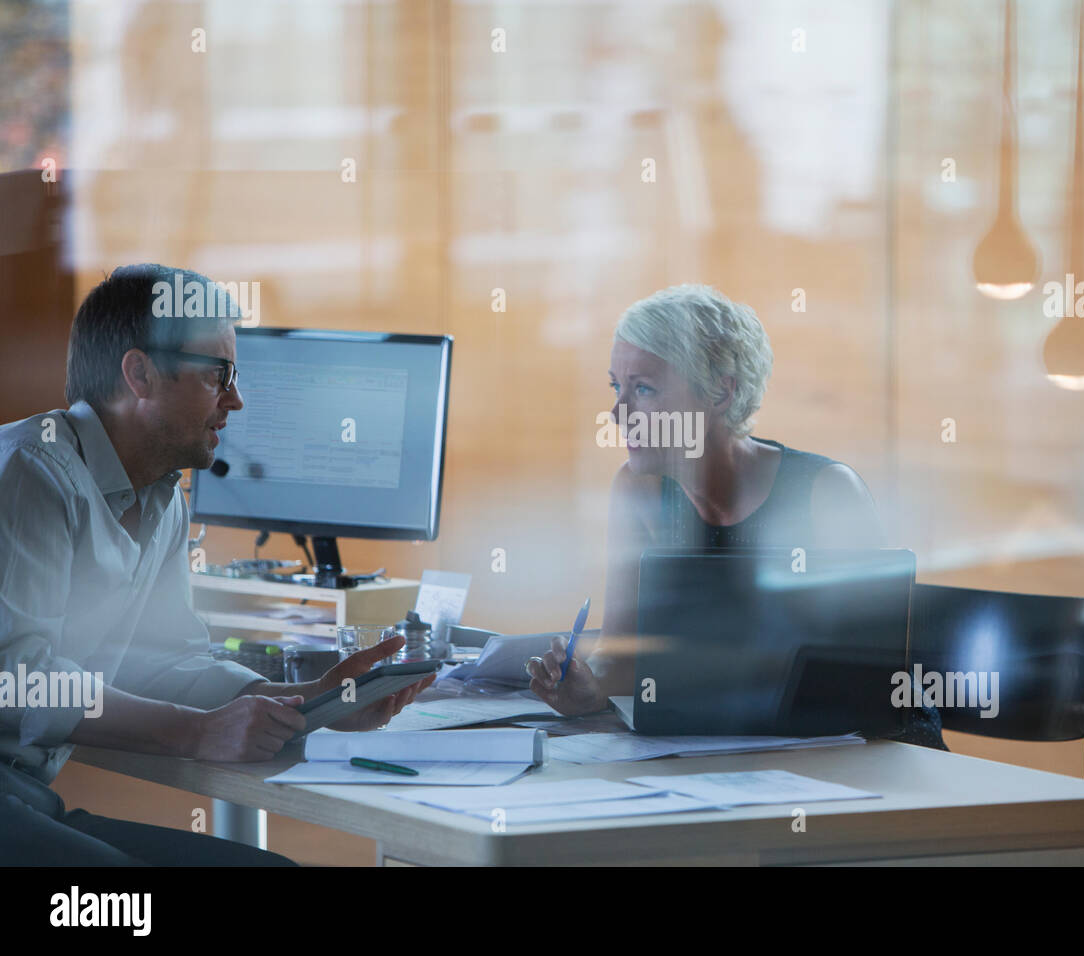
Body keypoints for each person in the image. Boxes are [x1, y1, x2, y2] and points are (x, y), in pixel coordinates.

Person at [0, 264, 433, 865]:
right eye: (218, 374)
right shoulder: (31, 472)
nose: (236, 398)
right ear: (140, 373)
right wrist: (196, 731)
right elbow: (19, 681)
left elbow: (168, 659)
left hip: (25, 803)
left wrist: (309, 701)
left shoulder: (158, 496)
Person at [526, 284, 944, 749]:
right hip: (727, 751)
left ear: (721, 391)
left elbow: (872, 679)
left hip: (861, 750)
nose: (618, 412)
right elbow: (623, 651)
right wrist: (589, 683)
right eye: (616, 386)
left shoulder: (825, 493)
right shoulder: (637, 491)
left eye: (643, 389)